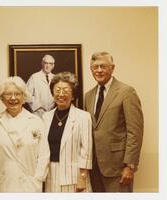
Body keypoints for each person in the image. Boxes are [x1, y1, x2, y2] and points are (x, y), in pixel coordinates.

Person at [84, 51, 144, 192]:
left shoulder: (126, 92)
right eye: (95, 67)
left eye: (103, 66)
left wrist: (130, 166)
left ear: (112, 68)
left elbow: (135, 131)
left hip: (118, 168)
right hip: (94, 168)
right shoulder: (88, 96)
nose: (99, 70)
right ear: (91, 70)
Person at [0, 76, 50, 192]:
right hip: (3, 183)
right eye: (8, 94)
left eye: (17, 94)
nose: (13, 98)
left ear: (24, 96)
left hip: (30, 184)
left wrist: (38, 178)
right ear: (1, 97)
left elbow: (44, 154)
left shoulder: (36, 121)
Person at [42, 72, 92, 192]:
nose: (61, 94)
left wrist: (82, 176)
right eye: (57, 90)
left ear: (73, 94)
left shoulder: (83, 117)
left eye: (66, 90)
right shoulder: (46, 117)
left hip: (74, 176)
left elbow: (86, 149)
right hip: (50, 175)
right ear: (52, 93)